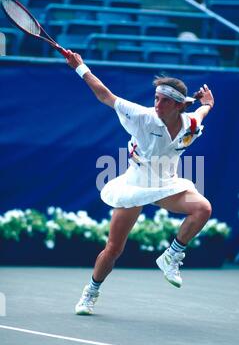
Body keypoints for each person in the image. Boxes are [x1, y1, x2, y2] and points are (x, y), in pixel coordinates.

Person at [65, 50, 214, 315]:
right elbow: (105, 95)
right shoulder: (143, 116)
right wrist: (80, 66)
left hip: (167, 186)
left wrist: (208, 104)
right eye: (156, 98)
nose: (157, 105)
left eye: (165, 101)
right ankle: (91, 292)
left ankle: (171, 256)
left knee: (202, 208)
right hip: (134, 186)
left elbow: (200, 113)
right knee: (113, 249)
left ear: (179, 105)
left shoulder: (190, 123)